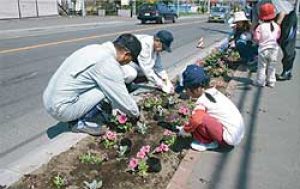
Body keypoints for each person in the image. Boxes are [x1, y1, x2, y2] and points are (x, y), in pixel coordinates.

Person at [43, 34, 142, 136]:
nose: (127, 63)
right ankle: (82, 123)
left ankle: (81, 115)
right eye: (130, 60)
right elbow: (122, 98)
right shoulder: (107, 63)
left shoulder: (95, 49)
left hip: (49, 100)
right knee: (107, 90)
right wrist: (136, 114)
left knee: (105, 84)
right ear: (126, 54)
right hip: (62, 109)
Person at [176, 65, 245, 152]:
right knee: (200, 115)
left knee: (199, 117)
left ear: (195, 89)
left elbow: (196, 120)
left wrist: (184, 130)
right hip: (238, 133)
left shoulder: (202, 101)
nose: (186, 93)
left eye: (186, 90)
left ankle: (208, 143)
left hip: (228, 139)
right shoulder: (213, 92)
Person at [252, 0, 297, 80]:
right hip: (274, 21)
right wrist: (251, 35)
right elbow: (254, 23)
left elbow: (282, 12)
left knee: (287, 45)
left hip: (287, 17)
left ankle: (287, 71)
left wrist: (276, 27)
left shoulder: (267, 1)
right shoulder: (255, 6)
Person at [253, 3, 281, 87]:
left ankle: (260, 82)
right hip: (274, 50)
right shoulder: (276, 26)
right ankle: (271, 81)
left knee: (262, 67)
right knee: (272, 67)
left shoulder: (260, 27)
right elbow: (278, 36)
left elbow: (257, 38)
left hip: (263, 50)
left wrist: (257, 41)